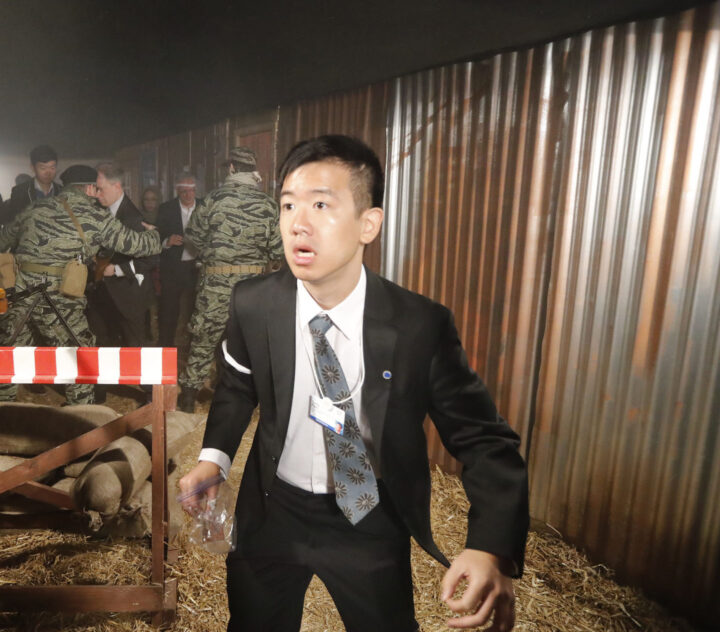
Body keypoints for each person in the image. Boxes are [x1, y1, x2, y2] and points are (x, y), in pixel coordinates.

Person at [178, 135, 529, 632]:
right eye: (288, 205)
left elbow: (484, 440)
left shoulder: (418, 326)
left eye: (321, 204)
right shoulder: (253, 304)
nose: (298, 223)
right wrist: (212, 459)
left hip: (368, 515)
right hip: (271, 512)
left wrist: (491, 545)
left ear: (369, 224)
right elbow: (237, 386)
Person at [0, 164, 162, 405]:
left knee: (8, 355)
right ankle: (82, 422)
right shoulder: (94, 216)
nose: (97, 193)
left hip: (21, 294)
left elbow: (5, 236)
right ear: (87, 188)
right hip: (59, 300)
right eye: (95, 188)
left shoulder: (36, 208)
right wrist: (154, 234)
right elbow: (138, 245)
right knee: (80, 358)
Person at [177, 147, 283, 412]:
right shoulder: (269, 205)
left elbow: (195, 238)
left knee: (203, 339)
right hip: (254, 289)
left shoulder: (212, 200)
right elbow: (278, 250)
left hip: (215, 284)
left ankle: (188, 397)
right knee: (253, 343)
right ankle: (251, 400)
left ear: (232, 168)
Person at [87, 162, 157, 349]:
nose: (98, 194)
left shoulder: (134, 218)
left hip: (129, 297)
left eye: (101, 189)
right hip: (103, 294)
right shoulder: (102, 209)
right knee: (104, 347)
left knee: (133, 351)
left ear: (116, 186)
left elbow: (151, 260)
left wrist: (117, 269)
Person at [156, 172, 202, 350]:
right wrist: (167, 241)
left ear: (195, 190)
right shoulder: (166, 209)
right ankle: (165, 348)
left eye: (191, 191)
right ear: (177, 191)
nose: (188, 195)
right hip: (173, 267)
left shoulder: (204, 206)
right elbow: (156, 236)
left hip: (197, 267)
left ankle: (193, 350)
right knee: (168, 310)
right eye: (183, 192)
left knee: (195, 309)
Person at [6, 144, 60, 219]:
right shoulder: (20, 192)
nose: (48, 172)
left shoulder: (62, 191)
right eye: (43, 168)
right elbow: (13, 222)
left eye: (52, 167)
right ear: (32, 168)